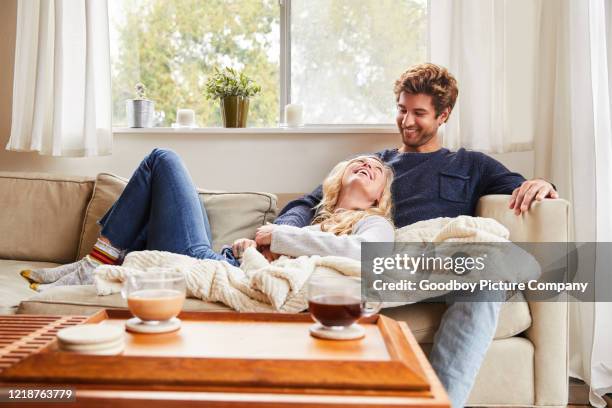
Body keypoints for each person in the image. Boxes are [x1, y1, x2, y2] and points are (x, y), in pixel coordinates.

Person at [268, 63, 559, 408]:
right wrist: (281, 233)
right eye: (402, 110)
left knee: (488, 276)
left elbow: (519, 186)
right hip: (386, 267)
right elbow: (310, 202)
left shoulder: (471, 165)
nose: (407, 121)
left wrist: (545, 185)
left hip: (438, 268)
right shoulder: (375, 166)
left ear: (444, 115)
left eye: (419, 113)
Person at [21, 150, 395, 290]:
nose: (366, 164)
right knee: (157, 179)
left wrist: (278, 238)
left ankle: (94, 265)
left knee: (161, 160)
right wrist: (252, 244)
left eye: (376, 169)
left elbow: (373, 253)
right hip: (226, 257)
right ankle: (96, 263)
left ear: (379, 196)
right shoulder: (316, 215)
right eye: (359, 161)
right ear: (339, 175)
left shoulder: (373, 223)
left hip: (214, 267)